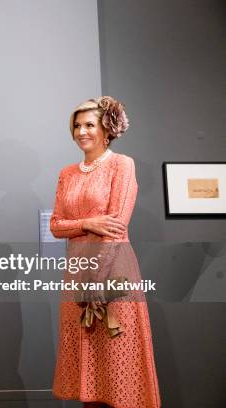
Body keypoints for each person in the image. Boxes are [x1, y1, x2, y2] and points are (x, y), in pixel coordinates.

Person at [50, 97, 161, 407]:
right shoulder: (67, 173)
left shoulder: (121, 165)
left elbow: (116, 228)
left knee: (117, 359)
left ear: (106, 129)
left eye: (89, 124)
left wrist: (96, 282)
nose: (81, 131)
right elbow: (57, 226)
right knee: (87, 357)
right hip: (76, 275)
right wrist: (89, 222)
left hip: (112, 274)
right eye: (76, 125)